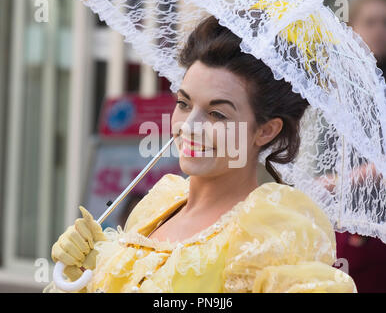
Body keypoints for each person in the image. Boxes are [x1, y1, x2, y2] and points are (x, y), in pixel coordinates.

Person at [44, 16, 356, 293]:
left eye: (217, 114)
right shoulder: (157, 206)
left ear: (266, 130)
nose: (189, 127)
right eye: (184, 103)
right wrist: (85, 274)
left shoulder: (272, 232)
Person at [334, 0, 386, 293]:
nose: (379, 30)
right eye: (370, 22)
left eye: (385, 22)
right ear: (352, 29)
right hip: (345, 221)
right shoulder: (338, 84)